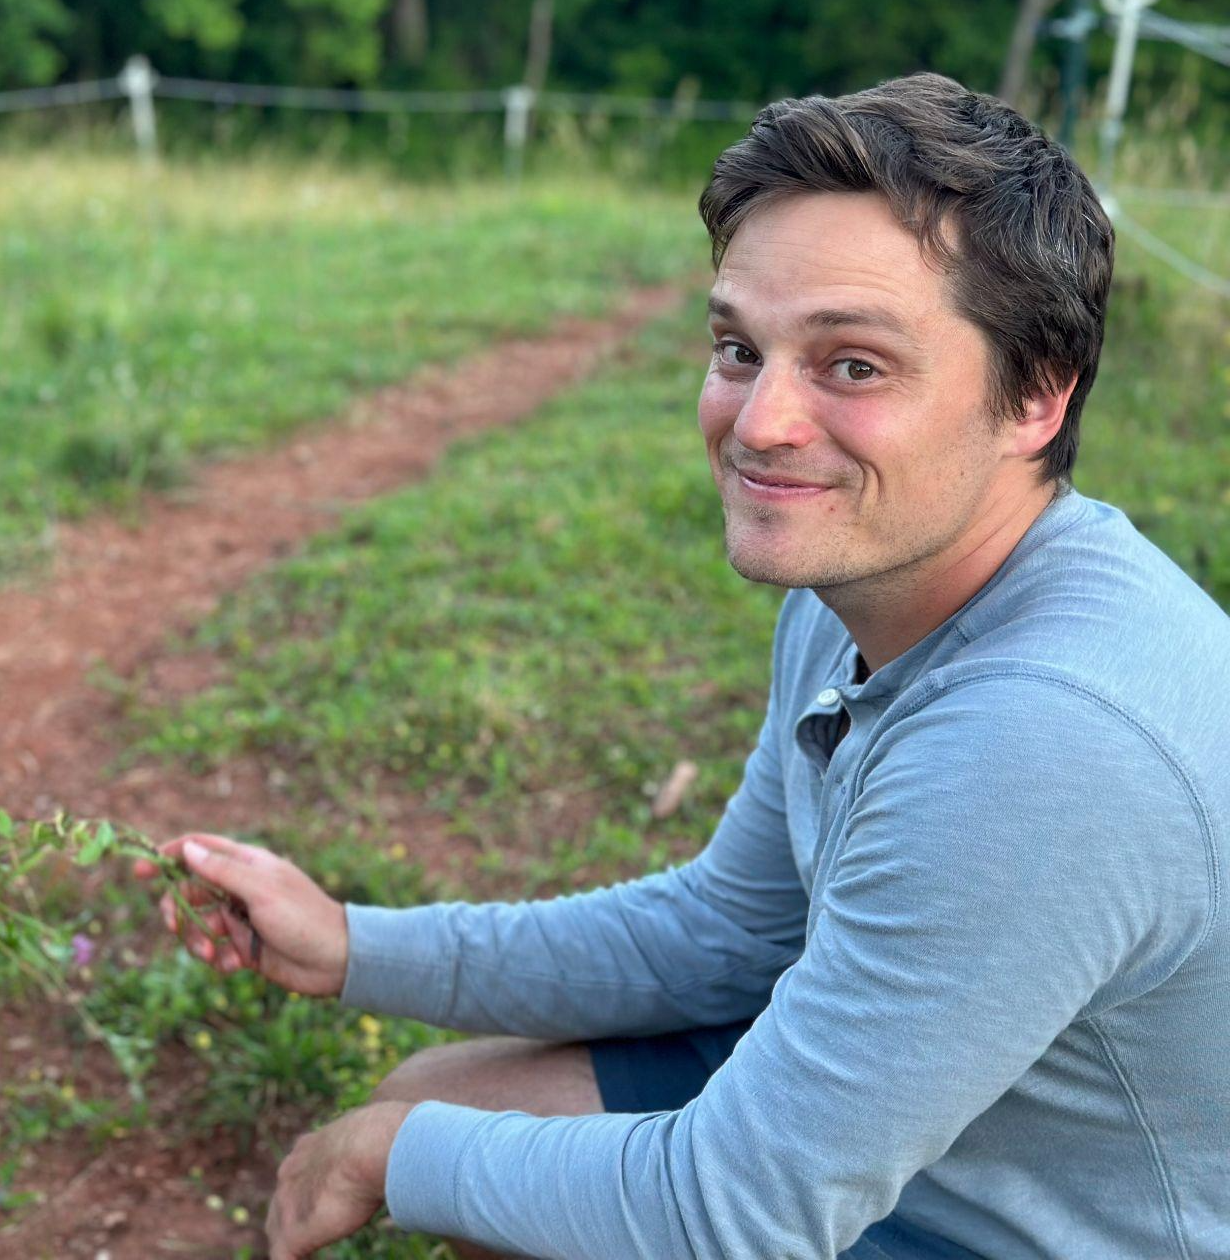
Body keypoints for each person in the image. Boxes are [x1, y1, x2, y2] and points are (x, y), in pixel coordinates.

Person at [136, 74, 1230, 1260]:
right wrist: (351, 944)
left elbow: (729, 1215)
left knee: (447, 1151)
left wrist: (390, 1156)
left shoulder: (1045, 741)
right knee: (448, 1093)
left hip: (1048, 1227)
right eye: (736, 347)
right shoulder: (870, 576)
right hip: (943, 1138)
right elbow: (727, 933)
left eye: (851, 365)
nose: (759, 422)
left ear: (1033, 396)